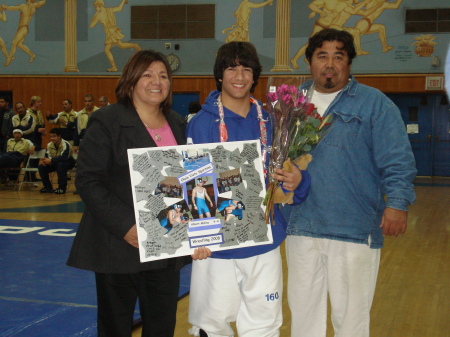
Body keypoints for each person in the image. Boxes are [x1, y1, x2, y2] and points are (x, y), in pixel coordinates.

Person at [285, 28, 416, 337]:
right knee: (303, 319)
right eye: (322, 56)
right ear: (309, 62)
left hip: (353, 229)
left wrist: (397, 204)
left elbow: (397, 159)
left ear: (349, 63)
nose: (330, 64)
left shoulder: (375, 104)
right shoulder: (290, 104)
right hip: (300, 227)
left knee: (351, 323)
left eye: (338, 56)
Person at [186, 41, 311, 337]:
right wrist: (197, 235)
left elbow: (290, 175)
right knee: (211, 323)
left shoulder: (275, 120)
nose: (239, 76)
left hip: (264, 238)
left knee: (264, 322)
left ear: (255, 76)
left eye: (246, 69)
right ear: (220, 75)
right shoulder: (200, 124)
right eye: (231, 68)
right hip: (217, 244)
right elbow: (193, 182)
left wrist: (299, 181)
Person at [66, 50, 191, 337]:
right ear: (131, 81)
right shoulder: (106, 121)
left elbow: (188, 181)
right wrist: (127, 227)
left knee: (162, 326)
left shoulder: (177, 123)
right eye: (147, 74)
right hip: (119, 244)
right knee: (115, 326)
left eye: (162, 75)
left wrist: (197, 230)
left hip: (165, 244)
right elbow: (88, 180)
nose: (156, 81)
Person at [90, 0, 142, 72]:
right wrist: (123, 2)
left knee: (108, 49)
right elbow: (119, 8)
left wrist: (95, 15)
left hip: (112, 32)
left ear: (100, 5)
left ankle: (114, 67)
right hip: (111, 33)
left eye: (96, 6)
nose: (95, 8)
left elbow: (91, 25)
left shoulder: (101, 14)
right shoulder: (104, 12)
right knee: (120, 45)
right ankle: (135, 46)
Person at [1, 0, 46, 66]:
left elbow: (13, 8)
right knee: (19, 44)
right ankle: (32, 55)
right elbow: (42, 2)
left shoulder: (24, 6)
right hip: (25, 28)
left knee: (14, 43)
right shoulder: (33, 7)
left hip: (22, 28)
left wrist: (5, 7)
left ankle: (9, 59)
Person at [38, 127, 76, 194]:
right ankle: (47, 187)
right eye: (51, 136)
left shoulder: (65, 144)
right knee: (41, 166)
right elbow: (47, 156)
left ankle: (62, 188)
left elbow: (64, 157)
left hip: (68, 162)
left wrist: (51, 161)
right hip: (55, 162)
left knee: (60, 165)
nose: (52, 138)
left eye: (54, 136)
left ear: (59, 136)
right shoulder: (49, 145)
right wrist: (45, 161)